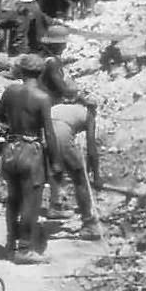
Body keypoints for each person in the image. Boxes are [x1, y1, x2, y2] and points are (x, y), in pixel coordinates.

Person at [0, 55, 60, 263]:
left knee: (13, 199)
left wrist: (11, 126)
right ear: (40, 73)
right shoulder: (42, 97)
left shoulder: (10, 92)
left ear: (21, 72)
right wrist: (56, 162)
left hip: (10, 148)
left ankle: (11, 243)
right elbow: (49, 133)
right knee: (31, 201)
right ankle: (24, 249)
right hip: (31, 150)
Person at [47, 102, 100, 239]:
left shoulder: (63, 108)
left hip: (43, 133)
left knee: (54, 169)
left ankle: (55, 206)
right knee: (80, 181)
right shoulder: (89, 116)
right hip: (60, 134)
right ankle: (89, 225)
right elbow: (92, 149)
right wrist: (97, 177)